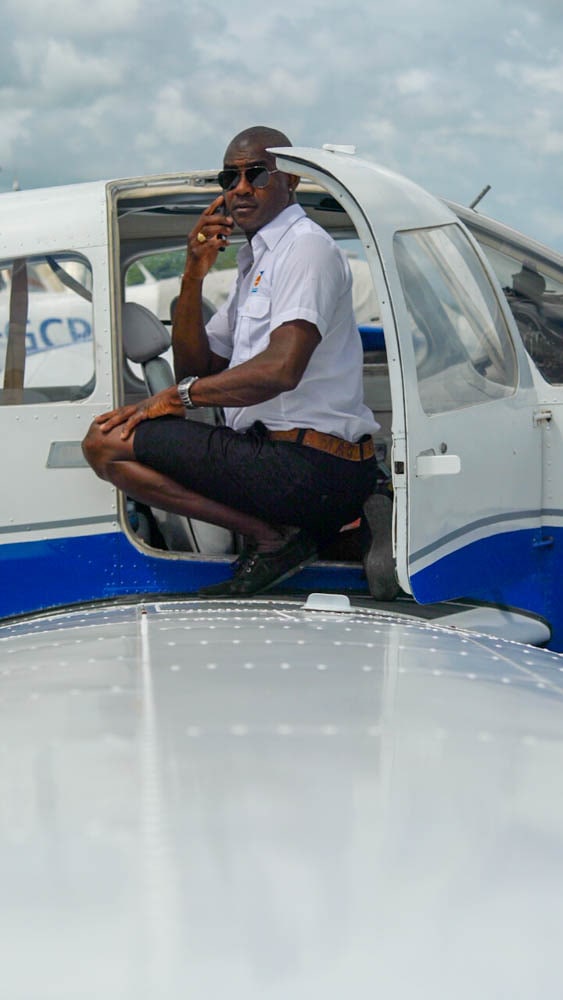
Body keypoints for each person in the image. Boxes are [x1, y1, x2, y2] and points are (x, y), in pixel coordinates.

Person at [82, 125, 395, 597]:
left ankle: (276, 540)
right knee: (105, 442)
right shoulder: (256, 262)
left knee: (105, 444)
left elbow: (282, 368)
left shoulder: (305, 248)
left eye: (257, 174)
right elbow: (197, 368)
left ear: (290, 179)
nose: (242, 188)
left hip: (308, 464)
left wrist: (176, 398)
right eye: (230, 178)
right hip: (275, 456)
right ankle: (326, 531)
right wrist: (193, 274)